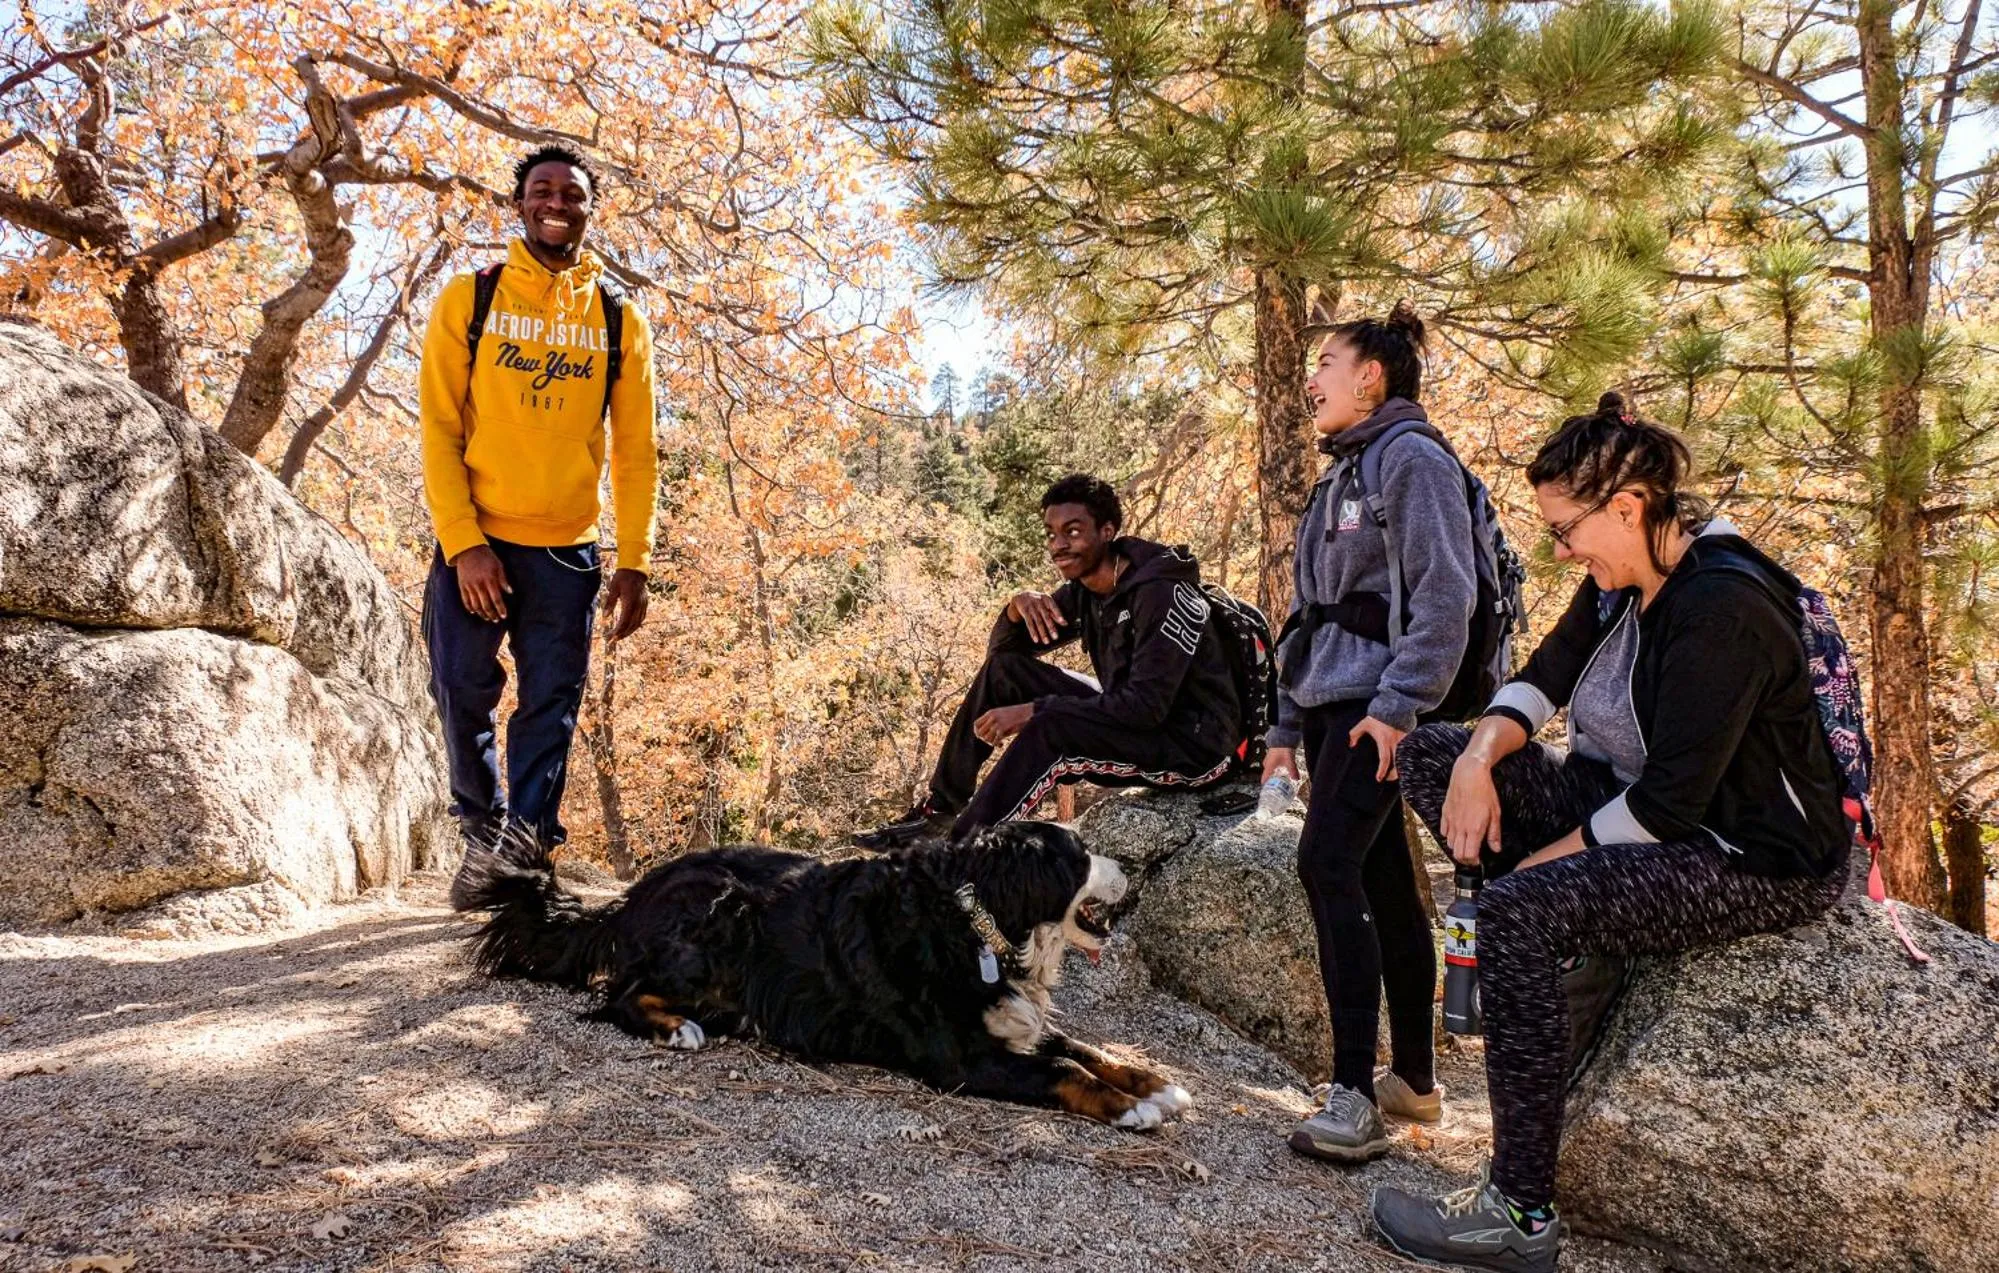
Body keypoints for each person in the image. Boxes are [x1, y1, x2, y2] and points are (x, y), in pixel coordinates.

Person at [1370, 394, 1852, 1273]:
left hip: (1746, 854)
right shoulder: (1624, 578)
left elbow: (1669, 808)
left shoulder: (1720, 610)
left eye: (1566, 529)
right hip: (1634, 800)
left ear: (1626, 509)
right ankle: (1570, 952)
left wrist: (1535, 885)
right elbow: (1540, 678)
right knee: (1433, 756)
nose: (1560, 550)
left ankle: (1516, 1215)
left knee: (1516, 915)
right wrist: (1479, 755)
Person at [1265, 301, 1478, 1164]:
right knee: (1385, 882)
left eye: (1327, 361)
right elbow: (1306, 612)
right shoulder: (1339, 472)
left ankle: (1352, 1092)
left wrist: (1397, 709)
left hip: (1373, 710)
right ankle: (1415, 1083)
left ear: (1371, 376)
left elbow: (1446, 599)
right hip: (1327, 705)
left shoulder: (1411, 460)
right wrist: (1283, 721)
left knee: (1326, 864)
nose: (1311, 378)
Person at [419, 144, 659, 894]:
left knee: (549, 709)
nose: (556, 203)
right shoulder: (472, 297)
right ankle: (481, 832)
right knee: (461, 688)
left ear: (590, 209)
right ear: (518, 204)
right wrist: (463, 544)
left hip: (567, 554)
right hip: (479, 539)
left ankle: (522, 854)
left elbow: (636, 452)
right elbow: (437, 429)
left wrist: (635, 561)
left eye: (572, 194)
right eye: (541, 190)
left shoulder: (620, 319)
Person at [857, 474, 1241, 846]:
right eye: (1051, 533)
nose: (1059, 544)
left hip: (1194, 749)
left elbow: (1145, 708)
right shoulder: (1085, 592)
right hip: (1135, 719)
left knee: (1050, 727)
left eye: (1073, 531)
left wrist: (1034, 710)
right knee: (1005, 674)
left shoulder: (1159, 593)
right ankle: (938, 812)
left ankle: (958, 856)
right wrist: (1015, 607)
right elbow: (1003, 657)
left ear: (1107, 531)